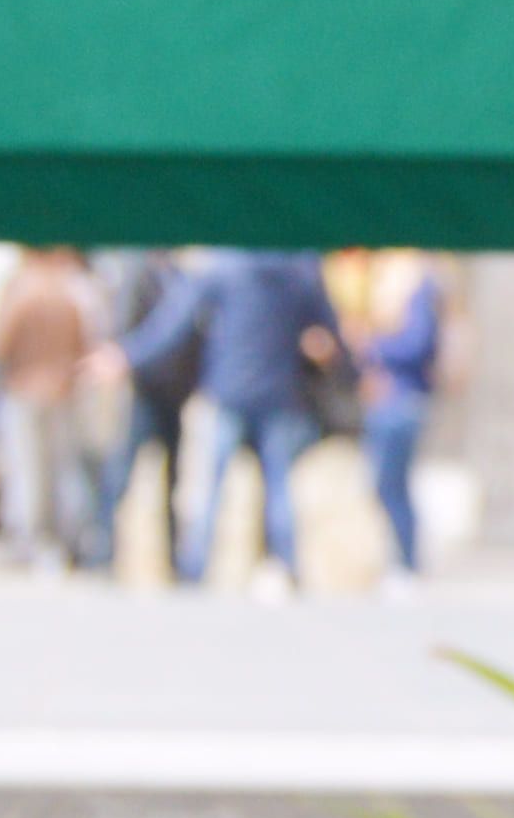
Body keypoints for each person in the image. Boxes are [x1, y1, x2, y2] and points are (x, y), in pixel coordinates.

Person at [134, 247, 343, 597]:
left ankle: (195, 569)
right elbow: (329, 330)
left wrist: (129, 355)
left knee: (212, 490)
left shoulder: (224, 267)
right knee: (279, 490)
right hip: (279, 393)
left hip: (229, 392)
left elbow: (175, 322)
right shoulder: (299, 269)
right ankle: (285, 565)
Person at [0, 249, 108, 573]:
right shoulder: (71, 294)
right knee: (64, 471)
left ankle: (29, 541)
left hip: (24, 389)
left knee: (27, 470)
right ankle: (70, 541)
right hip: (63, 391)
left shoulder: (21, 291)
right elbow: (85, 345)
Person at [344, 251, 443, 590]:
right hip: (384, 400)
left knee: (393, 486)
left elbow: (418, 344)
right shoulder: (389, 286)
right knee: (386, 486)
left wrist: (371, 346)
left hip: (402, 401)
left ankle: (407, 564)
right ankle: (398, 563)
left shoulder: (419, 286)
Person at [98, 248, 197, 581]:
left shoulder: (181, 277)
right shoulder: (139, 274)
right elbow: (138, 328)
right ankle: (104, 553)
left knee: (172, 483)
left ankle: (174, 560)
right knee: (122, 475)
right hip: (145, 392)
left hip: (174, 393)